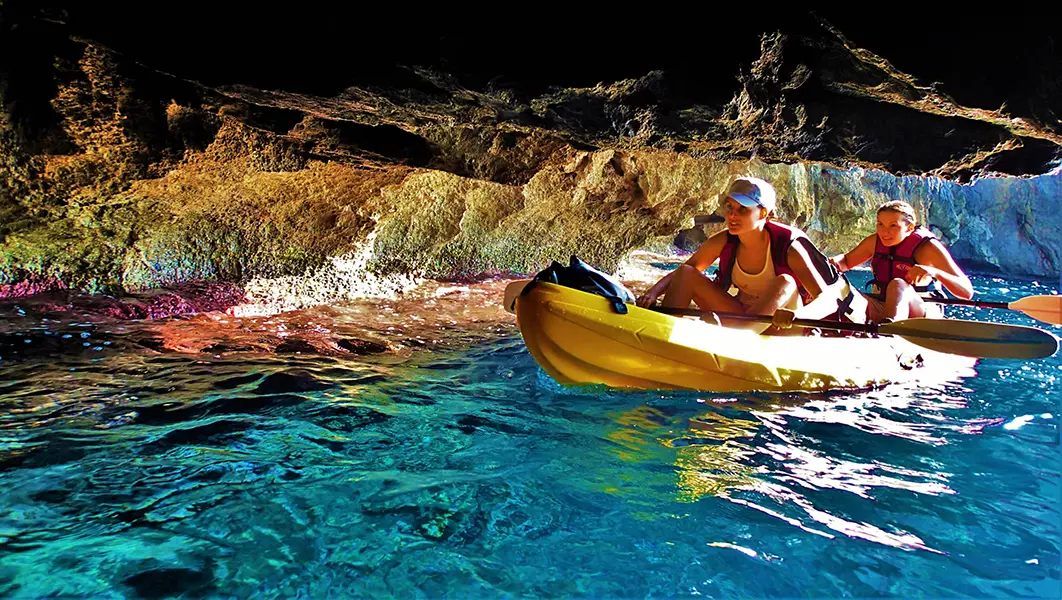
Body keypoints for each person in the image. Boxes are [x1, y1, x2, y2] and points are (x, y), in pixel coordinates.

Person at [635, 177, 861, 334]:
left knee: (786, 281)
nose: (732, 215)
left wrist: (798, 316)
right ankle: (663, 331)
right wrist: (653, 293)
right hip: (744, 315)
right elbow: (686, 270)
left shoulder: (789, 248)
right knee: (686, 273)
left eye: (743, 209)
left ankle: (736, 338)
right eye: (730, 207)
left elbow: (828, 301)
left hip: (782, 326)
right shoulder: (723, 240)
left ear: (763, 213)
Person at [830, 200, 973, 323]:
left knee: (898, 284)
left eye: (893, 226)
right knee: (843, 296)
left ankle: (889, 331)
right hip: (881, 304)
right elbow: (846, 262)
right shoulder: (874, 242)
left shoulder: (928, 248)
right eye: (880, 224)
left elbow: (966, 292)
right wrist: (833, 262)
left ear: (909, 228)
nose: (885, 232)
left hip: (921, 310)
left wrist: (934, 272)